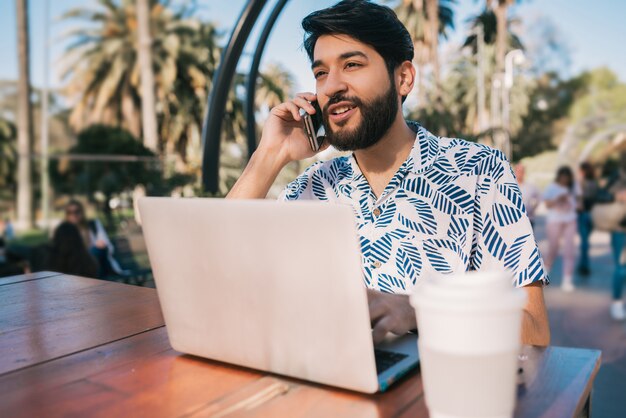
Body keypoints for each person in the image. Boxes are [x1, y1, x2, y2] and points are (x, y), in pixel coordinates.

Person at [227, 0, 550, 346]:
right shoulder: (308, 188)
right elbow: (217, 269)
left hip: (440, 392)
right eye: (321, 72)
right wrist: (270, 155)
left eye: (351, 64)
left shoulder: (479, 171)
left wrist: (419, 311)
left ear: (404, 78)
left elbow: (534, 330)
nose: (331, 85)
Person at [64, 200, 125, 278]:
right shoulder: (65, 231)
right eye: (70, 212)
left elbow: (106, 246)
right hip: (79, 270)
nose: (74, 215)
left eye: (77, 211)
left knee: (94, 253)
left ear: (82, 212)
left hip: (101, 264)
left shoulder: (93, 225)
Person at [542, 166, 579, 292]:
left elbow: (580, 203)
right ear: (559, 177)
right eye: (563, 177)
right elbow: (546, 204)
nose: (565, 180)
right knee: (553, 248)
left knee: (569, 249)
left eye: (567, 177)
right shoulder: (552, 187)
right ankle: (546, 272)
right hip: (554, 220)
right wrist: (558, 199)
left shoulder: (574, 187)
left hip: (570, 220)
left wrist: (573, 203)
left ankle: (567, 279)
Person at [576, 162, 599, 276]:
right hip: (593, 214)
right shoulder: (595, 182)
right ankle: (584, 264)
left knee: (584, 242)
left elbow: (578, 197)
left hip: (583, 214)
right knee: (586, 241)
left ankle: (584, 266)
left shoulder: (581, 182)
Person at [514, 163, 541, 227]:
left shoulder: (530, 187)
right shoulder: (510, 186)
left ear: (524, 172)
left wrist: (533, 208)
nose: (520, 173)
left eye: (522, 171)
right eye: (518, 171)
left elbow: (538, 198)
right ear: (515, 172)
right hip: (513, 221)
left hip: (528, 219)